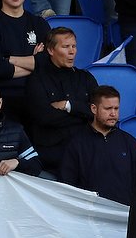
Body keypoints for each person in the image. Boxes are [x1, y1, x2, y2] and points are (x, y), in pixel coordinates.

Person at [24, 27, 99, 173]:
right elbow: (44, 117)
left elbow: (97, 112)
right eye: (65, 47)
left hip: (84, 153)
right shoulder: (37, 80)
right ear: (51, 50)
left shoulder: (85, 78)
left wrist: (68, 106)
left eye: (74, 46)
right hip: (51, 158)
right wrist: (81, 114)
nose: (72, 51)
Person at [61, 85, 136, 205]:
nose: (113, 113)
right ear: (93, 109)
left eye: (116, 108)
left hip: (124, 216)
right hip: (89, 217)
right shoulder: (77, 143)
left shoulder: (129, 142)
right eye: (108, 109)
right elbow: (68, 186)